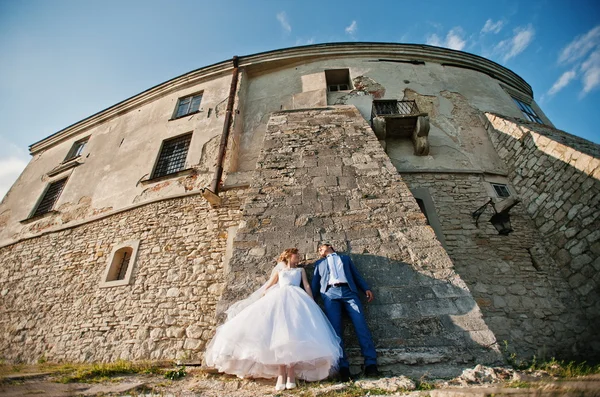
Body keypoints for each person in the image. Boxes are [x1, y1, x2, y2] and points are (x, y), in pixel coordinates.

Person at [204, 248, 342, 391]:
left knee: (294, 336)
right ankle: (281, 374)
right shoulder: (280, 271)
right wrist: (263, 297)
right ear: (289, 256)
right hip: (279, 300)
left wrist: (311, 300)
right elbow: (269, 284)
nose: (299, 257)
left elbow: (306, 284)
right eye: (296, 255)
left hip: (296, 300)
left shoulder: (300, 271)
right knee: (279, 338)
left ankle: (291, 374)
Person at [311, 243, 379, 381]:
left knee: (361, 327)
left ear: (329, 246)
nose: (319, 250)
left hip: (349, 293)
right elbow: (315, 283)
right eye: (318, 250)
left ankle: (371, 364)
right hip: (330, 294)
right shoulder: (319, 263)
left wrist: (365, 288)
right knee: (335, 331)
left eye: (321, 247)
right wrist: (309, 300)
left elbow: (356, 275)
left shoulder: (345, 259)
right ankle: (343, 368)